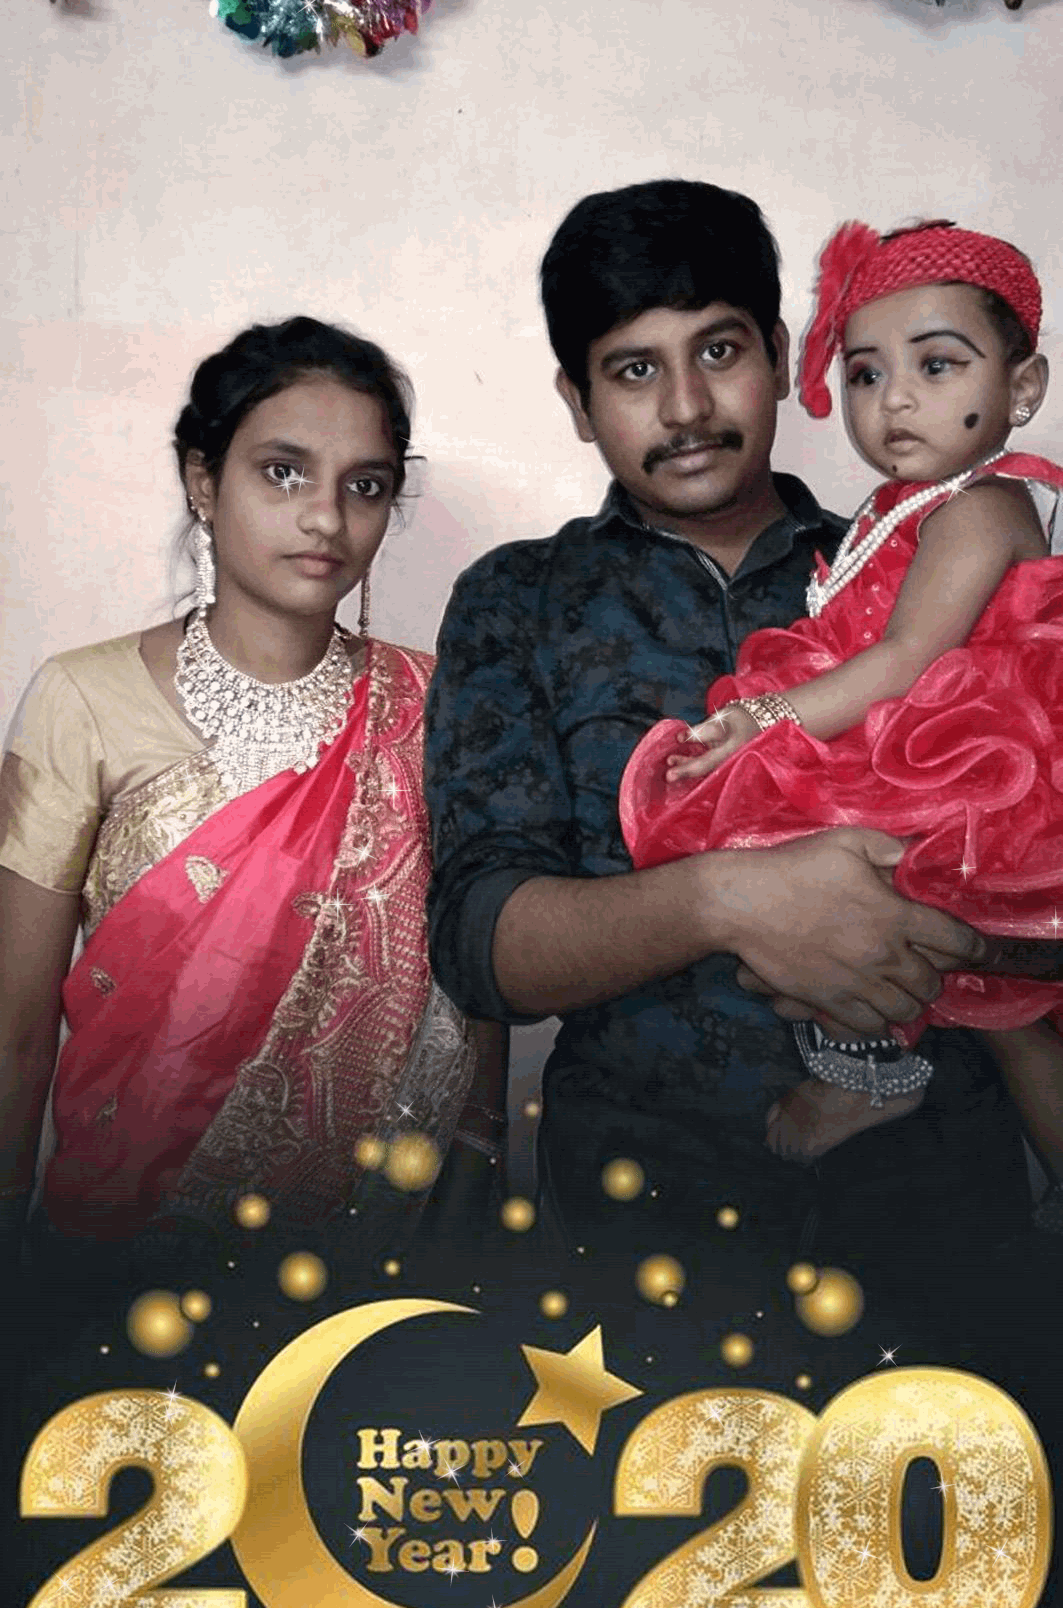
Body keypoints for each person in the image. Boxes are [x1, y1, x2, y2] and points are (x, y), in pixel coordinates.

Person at [425, 182, 1058, 1285]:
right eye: (633, 370)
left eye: (717, 351)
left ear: (776, 355)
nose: (684, 407)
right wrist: (730, 899)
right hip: (646, 1225)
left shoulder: (930, 562)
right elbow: (484, 947)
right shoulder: (519, 598)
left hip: (947, 1214)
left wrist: (950, 934)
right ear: (577, 401)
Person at [0, 317, 505, 1264]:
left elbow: (475, 960)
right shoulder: (83, 700)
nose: (327, 519)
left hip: (387, 1244)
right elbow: (16, 1023)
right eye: (283, 472)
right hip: (129, 1241)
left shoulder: (434, 704)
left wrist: (481, 1151)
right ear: (203, 479)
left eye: (365, 486)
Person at [620, 220, 1063, 1221]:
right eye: (865, 373)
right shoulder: (904, 506)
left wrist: (766, 716)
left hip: (969, 765)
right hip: (923, 747)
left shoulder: (981, 506)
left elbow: (905, 656)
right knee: (1005, 1016)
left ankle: (867, 1074)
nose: (893, 398)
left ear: (1021, 388)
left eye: (936, 366)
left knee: (786, 824)